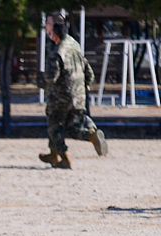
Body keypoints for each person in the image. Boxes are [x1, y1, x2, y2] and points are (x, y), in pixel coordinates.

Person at [37, 12, 108, 169]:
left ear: (54, 27)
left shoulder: (57, 49)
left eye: (48, 23)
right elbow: (87, 69)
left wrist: (40, 82)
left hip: (60, 95)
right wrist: (84, 87)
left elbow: (51, 76)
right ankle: (90, 134)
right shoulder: (73, 44)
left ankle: (64, 158)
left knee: (54, 124)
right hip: (78, 94)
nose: (45, 26)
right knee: (73, 127)